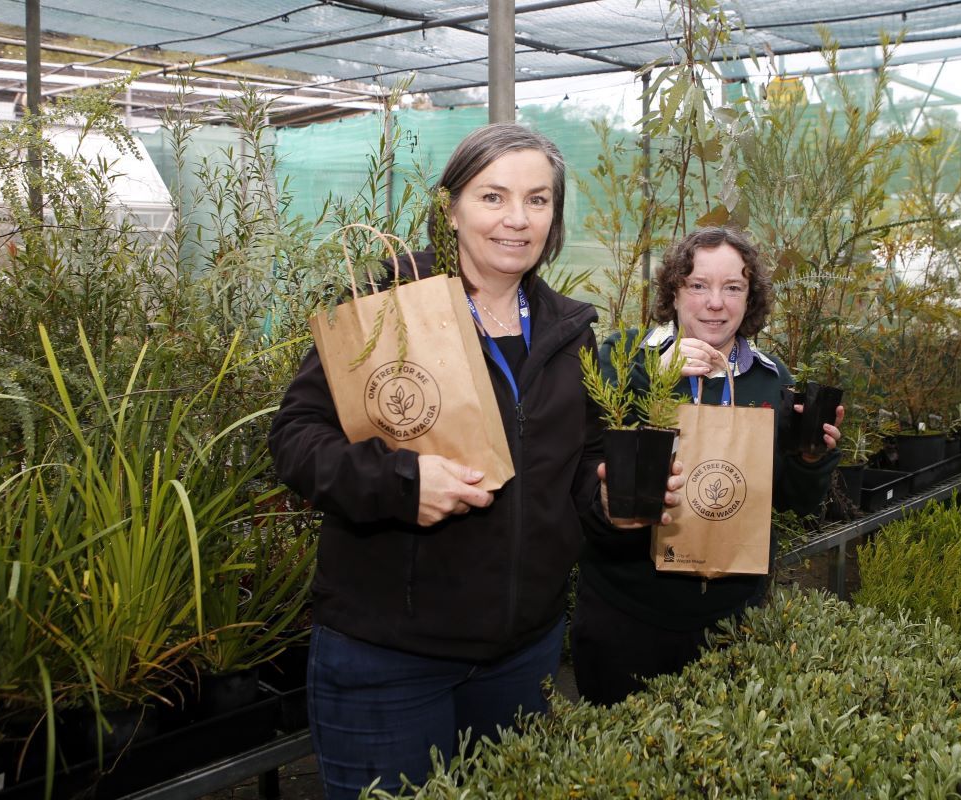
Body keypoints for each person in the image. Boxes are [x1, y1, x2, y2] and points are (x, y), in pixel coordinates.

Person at [268, 124, 678, 797]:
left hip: (525, 659)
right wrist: (401, 483)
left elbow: (579, 469)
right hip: (390, 663)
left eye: (538, 200)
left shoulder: (567, 330)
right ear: (451, 208)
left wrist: (608, 502)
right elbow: (296, 436)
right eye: (494, 197)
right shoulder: (391, 305)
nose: (518, 219)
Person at [572, 226, 843, 706]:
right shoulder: (624, 355)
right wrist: (652, 375)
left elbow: (793, 504)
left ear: (750, 298)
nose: (715, 303)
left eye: (732, 287)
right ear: (673, 292)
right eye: (698, 285)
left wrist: (810, 458)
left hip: (730, 616)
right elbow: (585, 461)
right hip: (629, 616)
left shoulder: (770, 379)